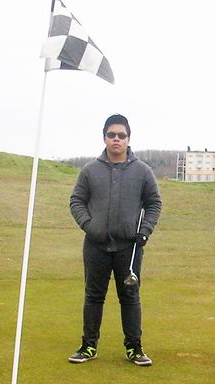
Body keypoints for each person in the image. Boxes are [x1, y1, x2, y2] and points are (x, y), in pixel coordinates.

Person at [69, 114, 162, 366]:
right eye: (111, 135)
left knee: (130, 297)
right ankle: (88, 345)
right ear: (104, 138)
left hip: (129, 247)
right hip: (96, 245)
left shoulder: (142, 171)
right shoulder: (90, 170)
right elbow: (76, 201)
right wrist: (89, 226)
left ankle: (134, 347)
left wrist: (145, 231)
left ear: (128, 139)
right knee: (93, 296)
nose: (116, 139)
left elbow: (154, 203)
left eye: (121, 135)